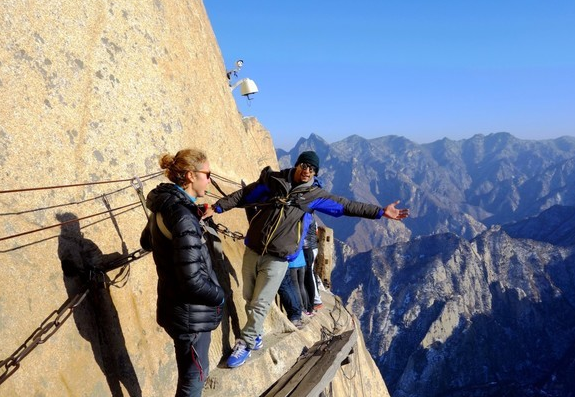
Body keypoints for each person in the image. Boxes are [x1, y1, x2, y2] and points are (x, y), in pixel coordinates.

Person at [212, 150, 409, 368]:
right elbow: (244, 196)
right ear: (297, 166)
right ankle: (256, 333)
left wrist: (381, 212)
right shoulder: (272, 182)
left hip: (278, 258)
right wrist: (217, 207)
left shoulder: (315, 196)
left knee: (260, 301)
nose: (307, 171)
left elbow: (347, 206)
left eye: (312, 169)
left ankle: (246, 343)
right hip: (254, 249)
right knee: (249, 295)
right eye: (304, 166)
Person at [140, 149, 225, 397]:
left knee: (190, 372)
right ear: (190, 175)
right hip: (192, 314)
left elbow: (147, 241)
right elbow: (192, 282)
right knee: (194, 376)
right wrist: (220, 296)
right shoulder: (182, 215)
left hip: (173, 304)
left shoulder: (165, 205)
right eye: (207, 174)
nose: (210, 180)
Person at [303, 216, 322, 311]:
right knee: (312, 273)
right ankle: (316, 298)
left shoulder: (306, 217)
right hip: (313, 248)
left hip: (308, 249)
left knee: (309, 274)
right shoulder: (312, 218)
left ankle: (316, 300)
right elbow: (317, 232)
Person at [288, 249, 310, 315]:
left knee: (295, 287)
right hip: (301, 261)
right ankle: (305, 308)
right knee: (301, 286)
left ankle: (301, 308)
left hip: (292, 263)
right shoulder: (299, 238)